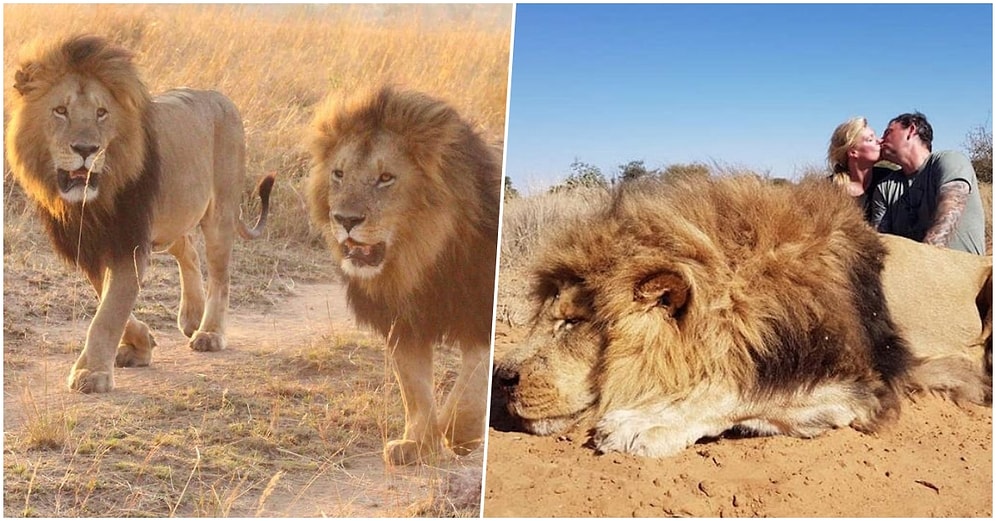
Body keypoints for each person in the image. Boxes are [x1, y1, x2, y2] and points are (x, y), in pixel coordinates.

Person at [870, 111, 986, 255]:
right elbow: (880, 243)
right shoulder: (885, 187)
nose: (881, 140)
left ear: (911, 130)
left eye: (888, 132)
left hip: (962, 272)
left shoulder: (949, 160)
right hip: (913, 273)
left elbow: (949, 213)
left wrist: (923, 263)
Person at [827, 117, 896, 222]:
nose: (880, 141)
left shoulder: (889, 178)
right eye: (870, 139)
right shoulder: (827, 188)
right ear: (853, 152)